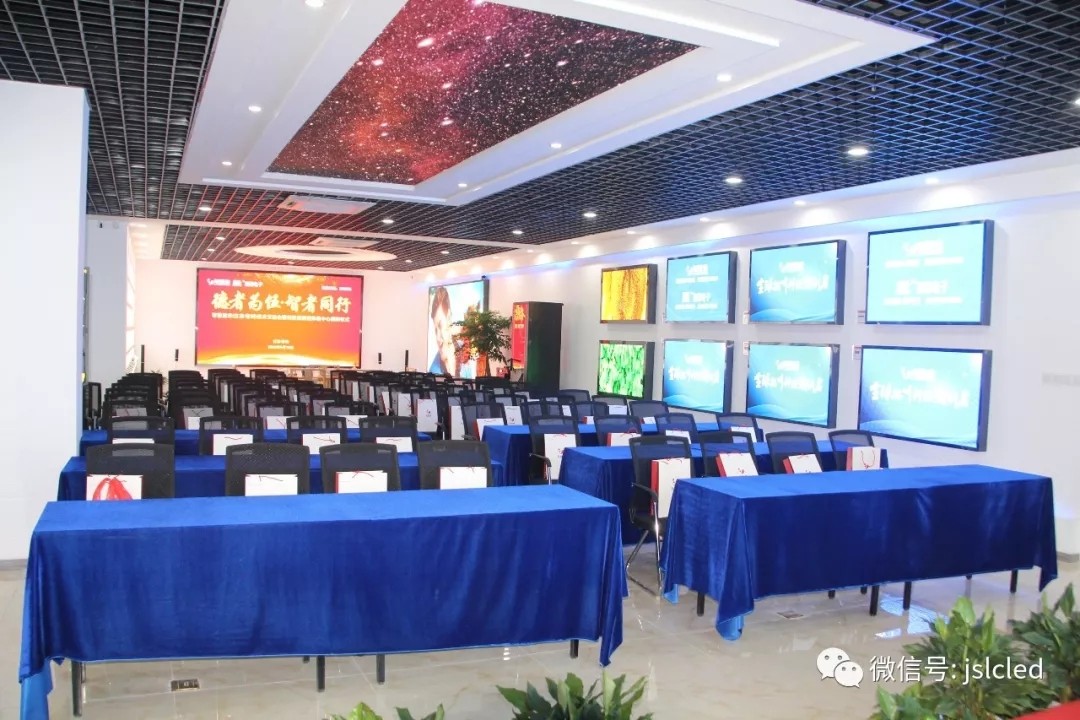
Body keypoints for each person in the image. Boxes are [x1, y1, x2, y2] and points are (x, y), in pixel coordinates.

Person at [429, 287, 457, 377]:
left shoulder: (467, 360)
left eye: (440, 327)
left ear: (449, 318)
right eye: (435, 329)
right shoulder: (433, 370)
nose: (438, 338)